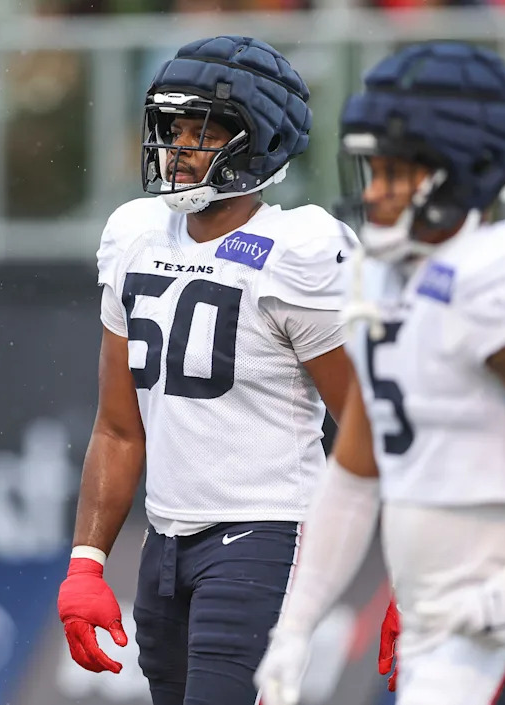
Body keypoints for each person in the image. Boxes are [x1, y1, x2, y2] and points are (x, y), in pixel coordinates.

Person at [254, 41, 505, 705]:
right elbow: (355, 472)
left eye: (392, 172)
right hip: (429, 626)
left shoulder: (500, 269)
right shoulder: (378, 274)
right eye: (369, 169)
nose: (372, 191)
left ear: (459, 170)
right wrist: (294, 626)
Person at [56, 35, 357, 705]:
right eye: (174, 126)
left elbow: (368, 425)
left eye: (204, 128)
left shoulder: (295, 249)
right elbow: (117, 427)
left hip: (266, 535)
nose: (180, 145)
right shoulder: (134, 235)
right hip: (163, 543)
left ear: (259, 141)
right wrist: (86, 561)